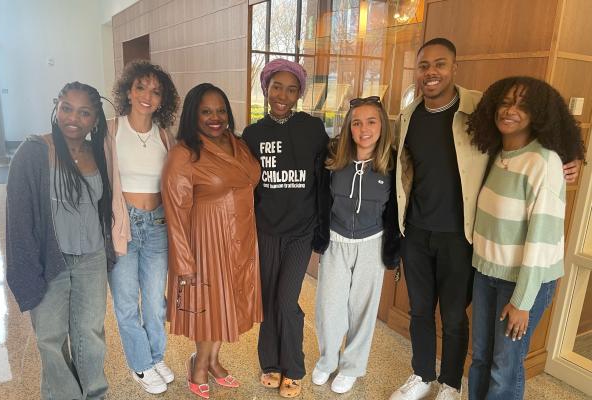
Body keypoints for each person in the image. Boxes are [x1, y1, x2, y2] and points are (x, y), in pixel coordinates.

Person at [389, 38, 581, 400]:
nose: (432, 72)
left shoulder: (481, 107)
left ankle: (449, 383)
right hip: (416, 231)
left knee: (455, 317)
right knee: (419, 312)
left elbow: (534, 124)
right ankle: (422, 375)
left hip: (462, 237)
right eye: (425, 65)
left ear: (454, 68)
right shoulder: (410, 114)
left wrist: (569, 157)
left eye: (441, 64)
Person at [467, 77, 584, 399]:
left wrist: (522, 303)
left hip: (523, 283)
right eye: (505, 102)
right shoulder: (494, 154)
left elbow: (542, 242)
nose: (510, 111)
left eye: (522, 105)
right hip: (487, 274)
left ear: (539, 114)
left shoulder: (544, 162)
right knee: (480, 359)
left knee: (504, 369)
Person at [6, 82, 114, 399]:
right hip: (51, 260)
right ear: (57, 107)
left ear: (95, 119)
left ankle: (95, 393)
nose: (73, 118)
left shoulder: (99, 153)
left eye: (84, 113)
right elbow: (19, 219)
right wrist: (27, 269)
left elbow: (104, 207)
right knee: (50, 339)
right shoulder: (33, 152)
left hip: (91, 259)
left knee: (89, 334)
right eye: (67, 107)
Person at [162, 83, 263, 399]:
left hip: (242, 235)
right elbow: (175, 211)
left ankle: (215, 361)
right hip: (207, 239)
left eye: (220, 110)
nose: (215, 117)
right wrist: (183, 260)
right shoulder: (184, 153)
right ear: (193, 114)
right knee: (210, 307)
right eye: (206, 111)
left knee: (229, 303)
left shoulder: (239, 144)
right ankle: (199, 365)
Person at [242, 58, 330, 398]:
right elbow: (245, 185)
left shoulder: (313, 129)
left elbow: (325, 177)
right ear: (265, 88)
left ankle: (293, 366)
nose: (283, 95)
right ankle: (271, 363)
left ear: (299, 94)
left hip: (301, 231)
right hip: (265, 230)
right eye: (276, 86)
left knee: (286, 298)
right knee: (267, 299)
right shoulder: (253, 134)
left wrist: (324, 227)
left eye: (291, 89)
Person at [311, 96, 401, 394]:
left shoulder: (393, 162)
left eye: (371, 121)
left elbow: (398, 210)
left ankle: (351, 367)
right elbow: (321, 200)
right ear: (349, 127)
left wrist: (393, 249)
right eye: (357, 122)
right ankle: (327, 360)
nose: (364, 129)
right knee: (329, 306)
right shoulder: (333, 158)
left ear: (382, 126)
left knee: (362, 309)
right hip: (336, 242)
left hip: (372, 245)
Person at [107, 60, 179, 394]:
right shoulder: (111, 130)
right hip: (124, 225)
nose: (147, 96)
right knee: (125, 302)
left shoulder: (165, 135)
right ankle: (140, 364)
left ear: (163, 100)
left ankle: (154, 355)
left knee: (154, 302)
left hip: (157, 226)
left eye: (155, 91)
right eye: (141, 88)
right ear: (128, 91)